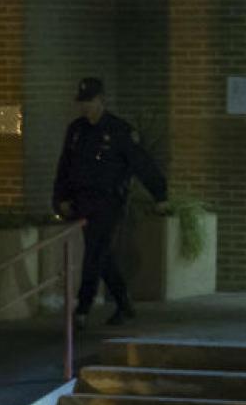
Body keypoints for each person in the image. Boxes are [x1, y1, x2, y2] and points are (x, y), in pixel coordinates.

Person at [54, 77, 169, 328]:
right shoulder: (76, 131)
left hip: (109, 201)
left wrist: (160, 195)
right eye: (82, 102)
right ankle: (123, 301)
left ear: (101, 100)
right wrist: (60, 198)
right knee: (101, 254)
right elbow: (65, 166)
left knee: (94, 252)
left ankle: (83, 308)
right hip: (83, 201)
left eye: (89, 101)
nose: (85, 107)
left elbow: (142, 163)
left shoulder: (119, 131)